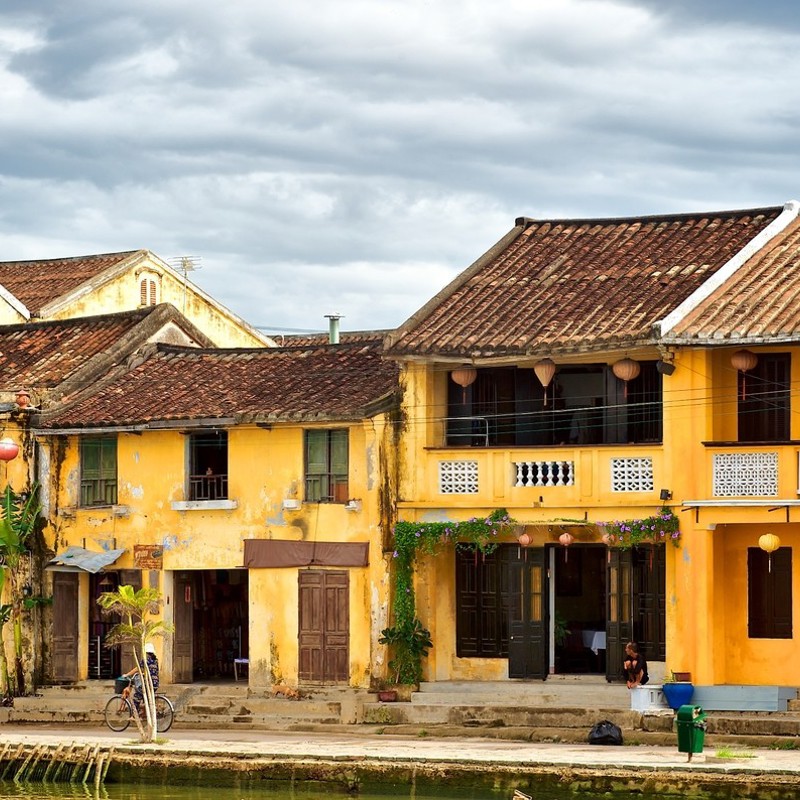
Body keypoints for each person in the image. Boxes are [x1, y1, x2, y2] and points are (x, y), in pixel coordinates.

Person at [122, 643, 160, 712]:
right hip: (156, 684)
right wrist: (144, 674)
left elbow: (137, 668)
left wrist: (127, 674)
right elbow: (154, 671)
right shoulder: (155, 661)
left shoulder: (146, 660)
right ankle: (144, 713)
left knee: (137, 696)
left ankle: (134, 716)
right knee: (144, 697)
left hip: (148, 684)